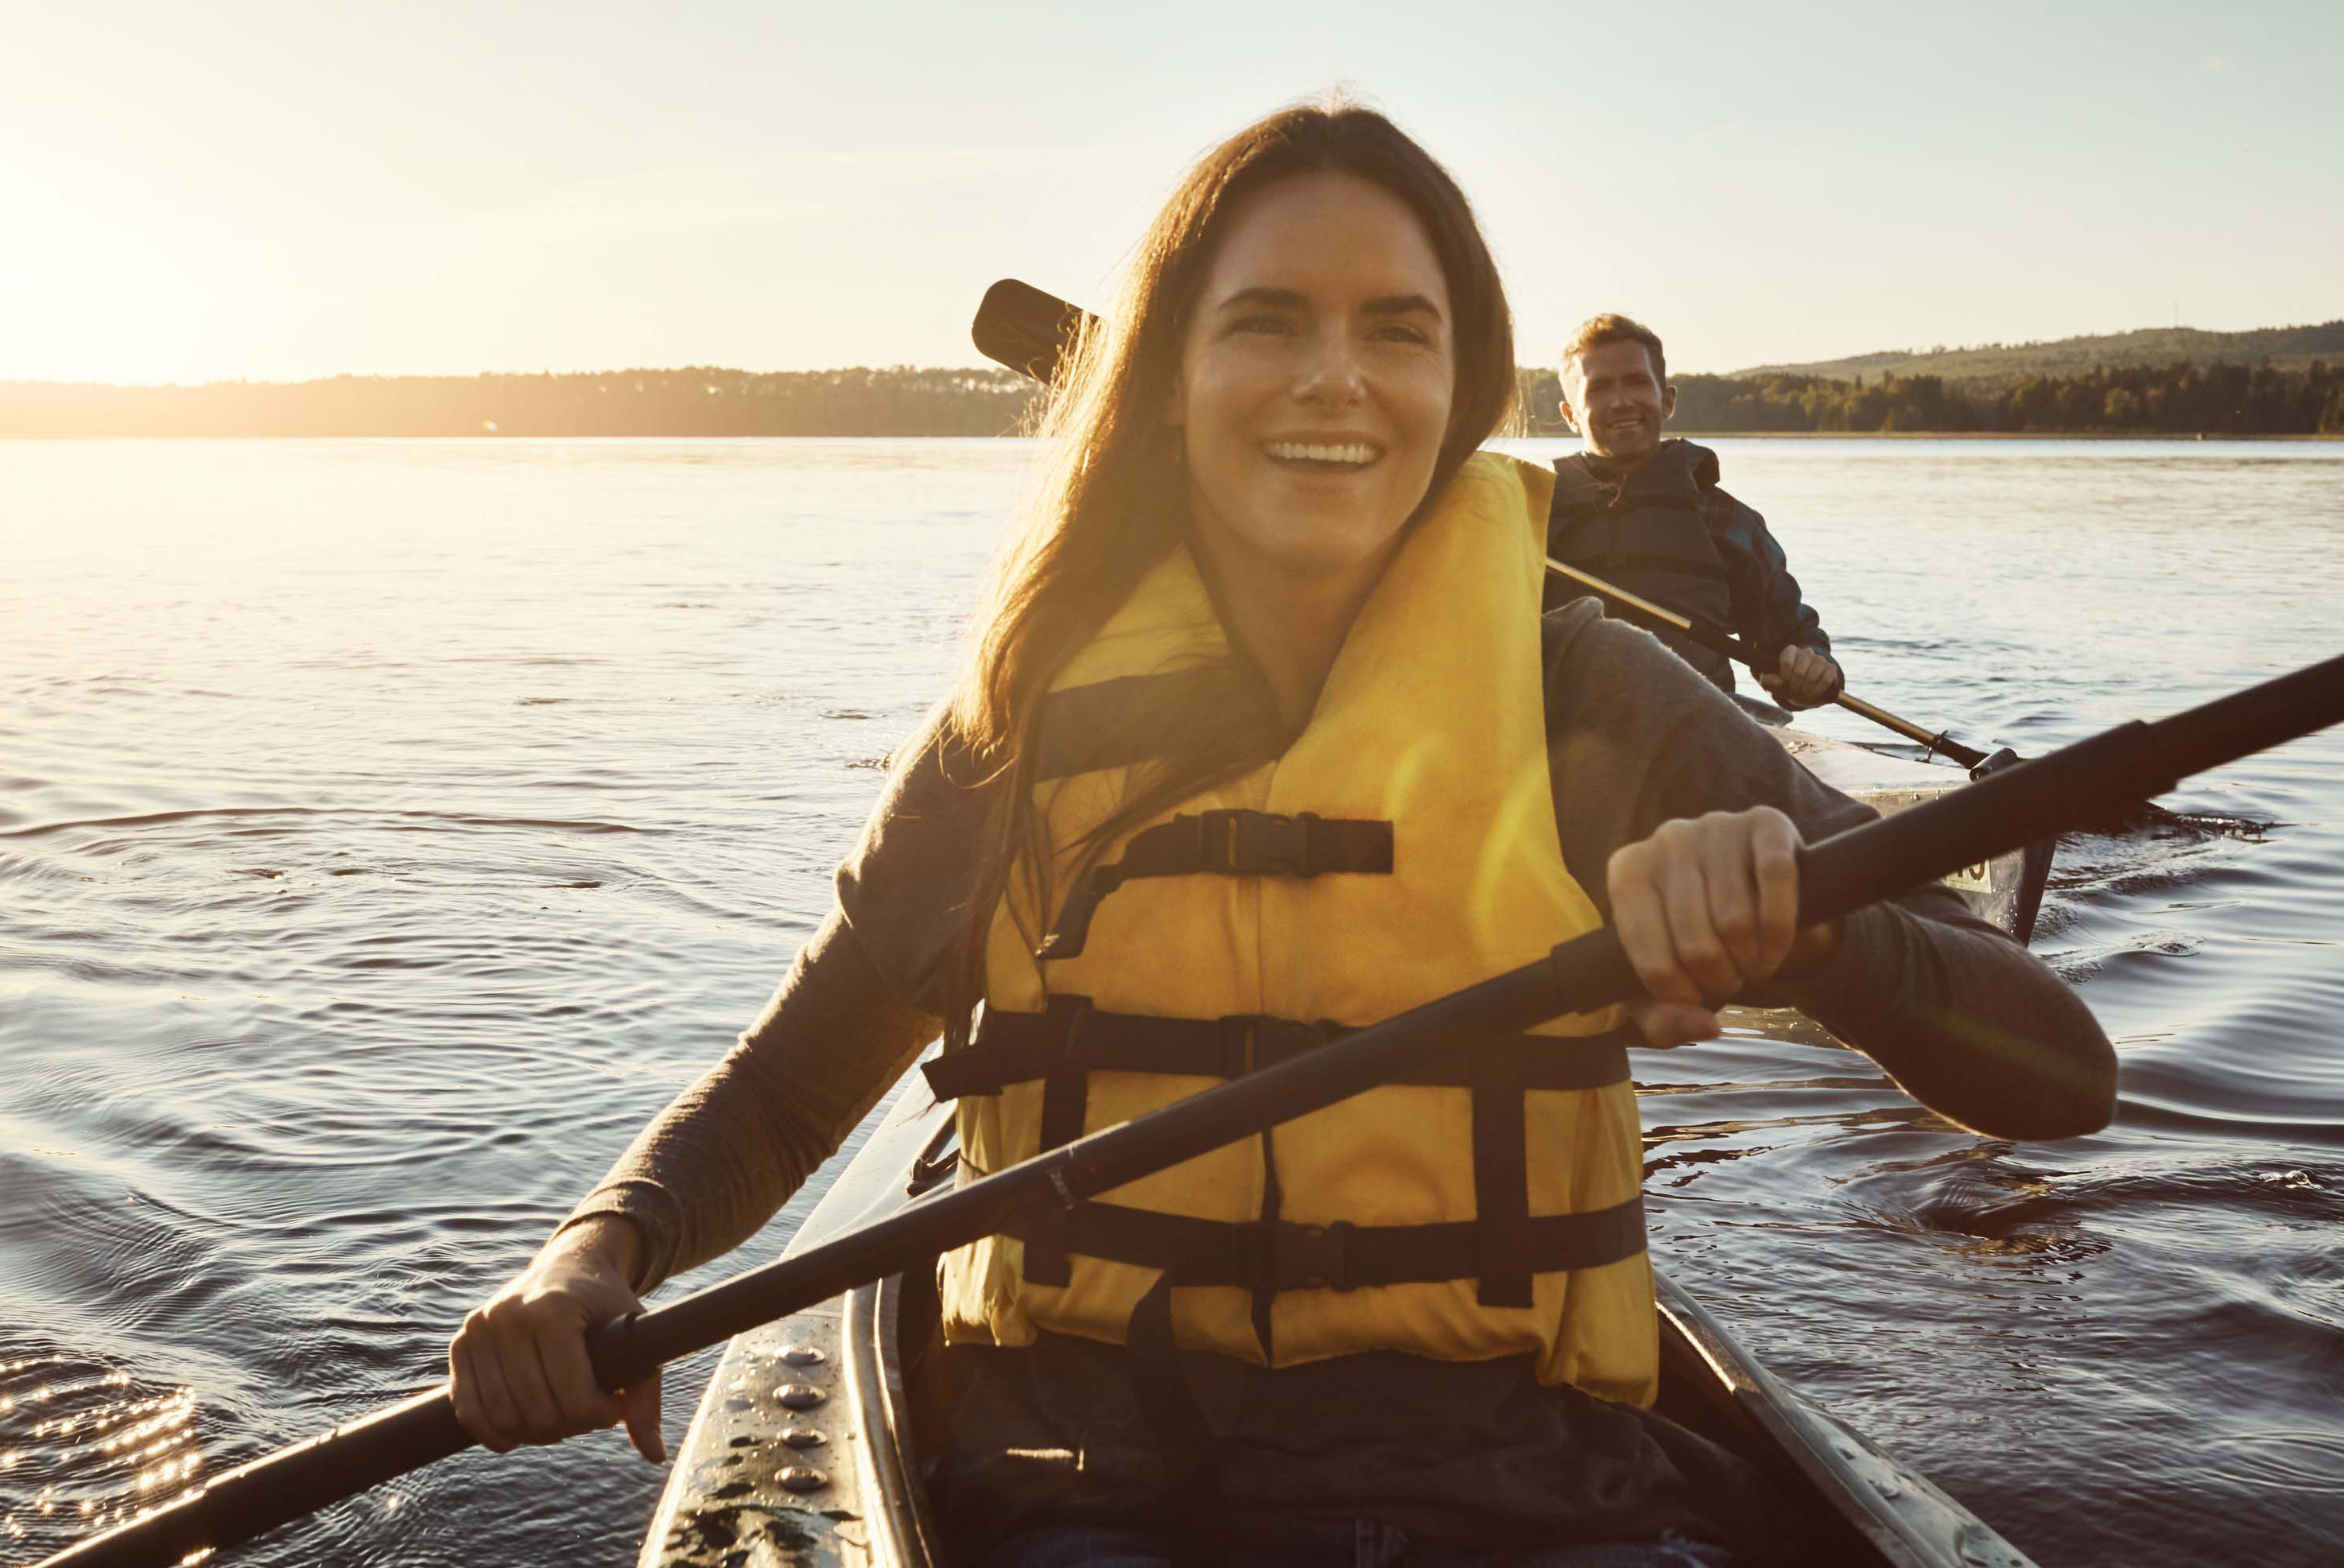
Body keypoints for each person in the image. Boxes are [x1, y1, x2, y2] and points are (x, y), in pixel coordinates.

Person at [446, 106, 2115, 1568]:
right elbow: (794, 1081)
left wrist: (1818, 934)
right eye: (1266, 322)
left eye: (1399, 328)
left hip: (1546, 1505)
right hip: (1083, 1494)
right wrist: (599, 1251)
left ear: (1459, 384)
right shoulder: (1023, 710)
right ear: (1167, 379)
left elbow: (2058, 1074)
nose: (1335, 374)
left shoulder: (1587, 694)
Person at [1547, 315, 1842, 710]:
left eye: (1636, 382)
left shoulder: (1727, 519)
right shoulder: (1529, 511)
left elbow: (1794, 641)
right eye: (1599, 388)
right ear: (1570, 414)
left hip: (1697, 737)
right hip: (1566, 738)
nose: (1620, 401)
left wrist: (1811, 668)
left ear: (1666, 400)